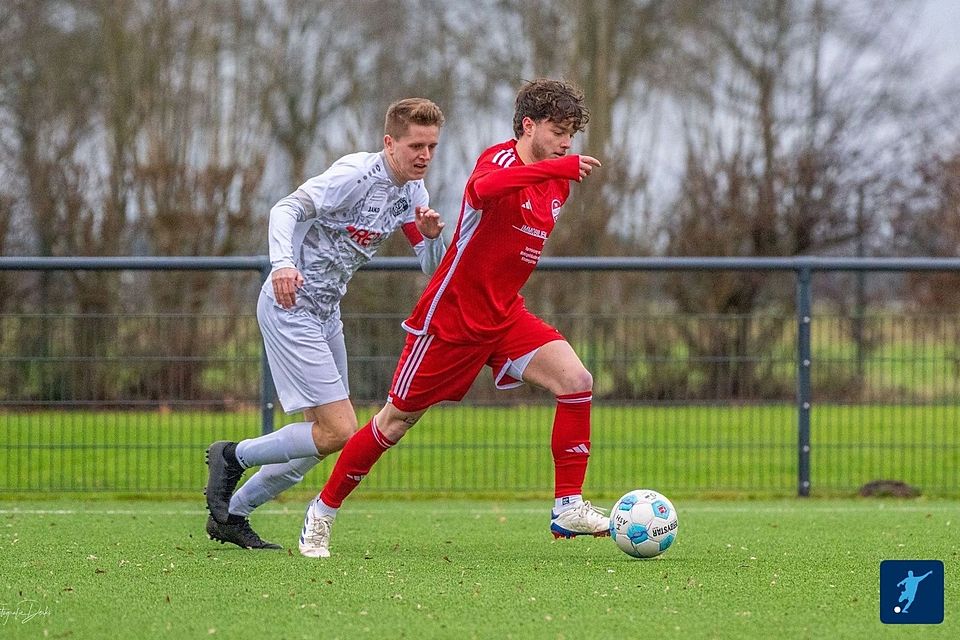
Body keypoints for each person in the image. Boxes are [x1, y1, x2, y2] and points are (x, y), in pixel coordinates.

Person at [296, 78, 606, 558]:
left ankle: (567, 506)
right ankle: (322, 511)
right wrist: (553, 168)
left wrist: (556, 170)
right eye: (559, 131)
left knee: (576, 380)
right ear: (529, 126)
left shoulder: (559, 183)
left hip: (504, 316)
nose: (567, 142)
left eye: (572, 135)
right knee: (393, 423)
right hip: (452, 319)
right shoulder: (501, 160)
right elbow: (483, 189)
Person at [204, 98, 447, 549]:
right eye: (416, 145)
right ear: (389, 143)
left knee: (321, 438)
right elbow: (285, 209)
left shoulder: (414, 194)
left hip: (326, 312)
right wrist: (281, 265)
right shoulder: (355, 174)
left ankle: (233, 514)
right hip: (289, 304)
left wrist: (432, 239)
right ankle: (232, 455)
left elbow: (431, 269)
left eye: (432, 147)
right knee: (339, 430)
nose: (425, 157)